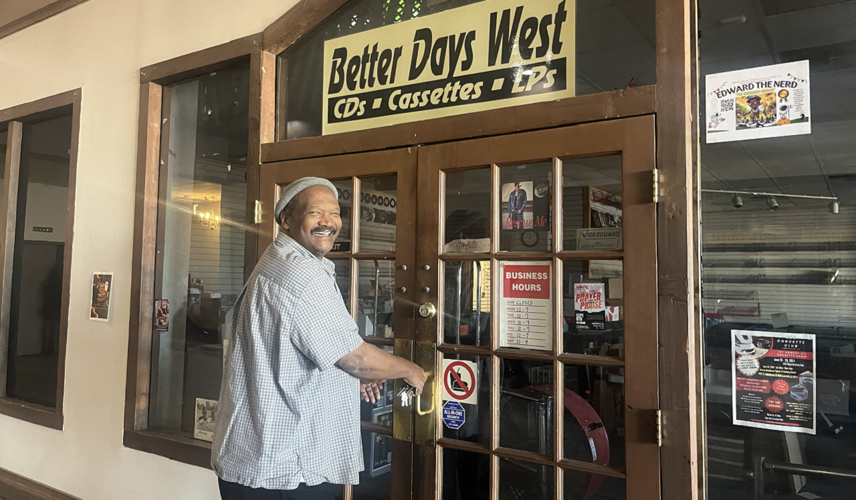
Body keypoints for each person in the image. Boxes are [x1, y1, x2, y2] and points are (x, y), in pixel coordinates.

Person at [212, 177, 427, 500]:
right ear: (286, 219)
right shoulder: (304, 275)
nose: (328, 222)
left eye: (335, 213)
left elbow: (298, 349)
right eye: (315, 212)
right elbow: (356, 358)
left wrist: (350, 374)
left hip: (253, 456)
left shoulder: (276, 261)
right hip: (286, 468)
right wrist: (411, 370)